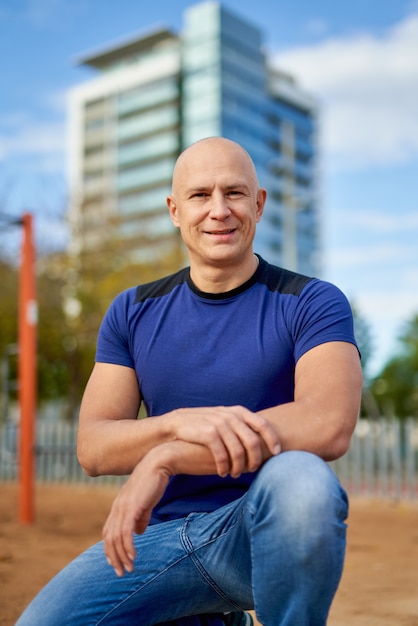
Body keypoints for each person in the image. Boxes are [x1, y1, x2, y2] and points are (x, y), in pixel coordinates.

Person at [17, 137, 362, 626]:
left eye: (235, 193)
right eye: (200, 195)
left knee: (303, 483)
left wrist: (169, 454)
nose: (219, 210)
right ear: (175, 210)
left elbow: (328, 422)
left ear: (259, 204)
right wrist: (176, 425)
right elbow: (94, 446)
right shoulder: (133, 310)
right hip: (157, 544)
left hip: (251, 534)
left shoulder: (311, 301)